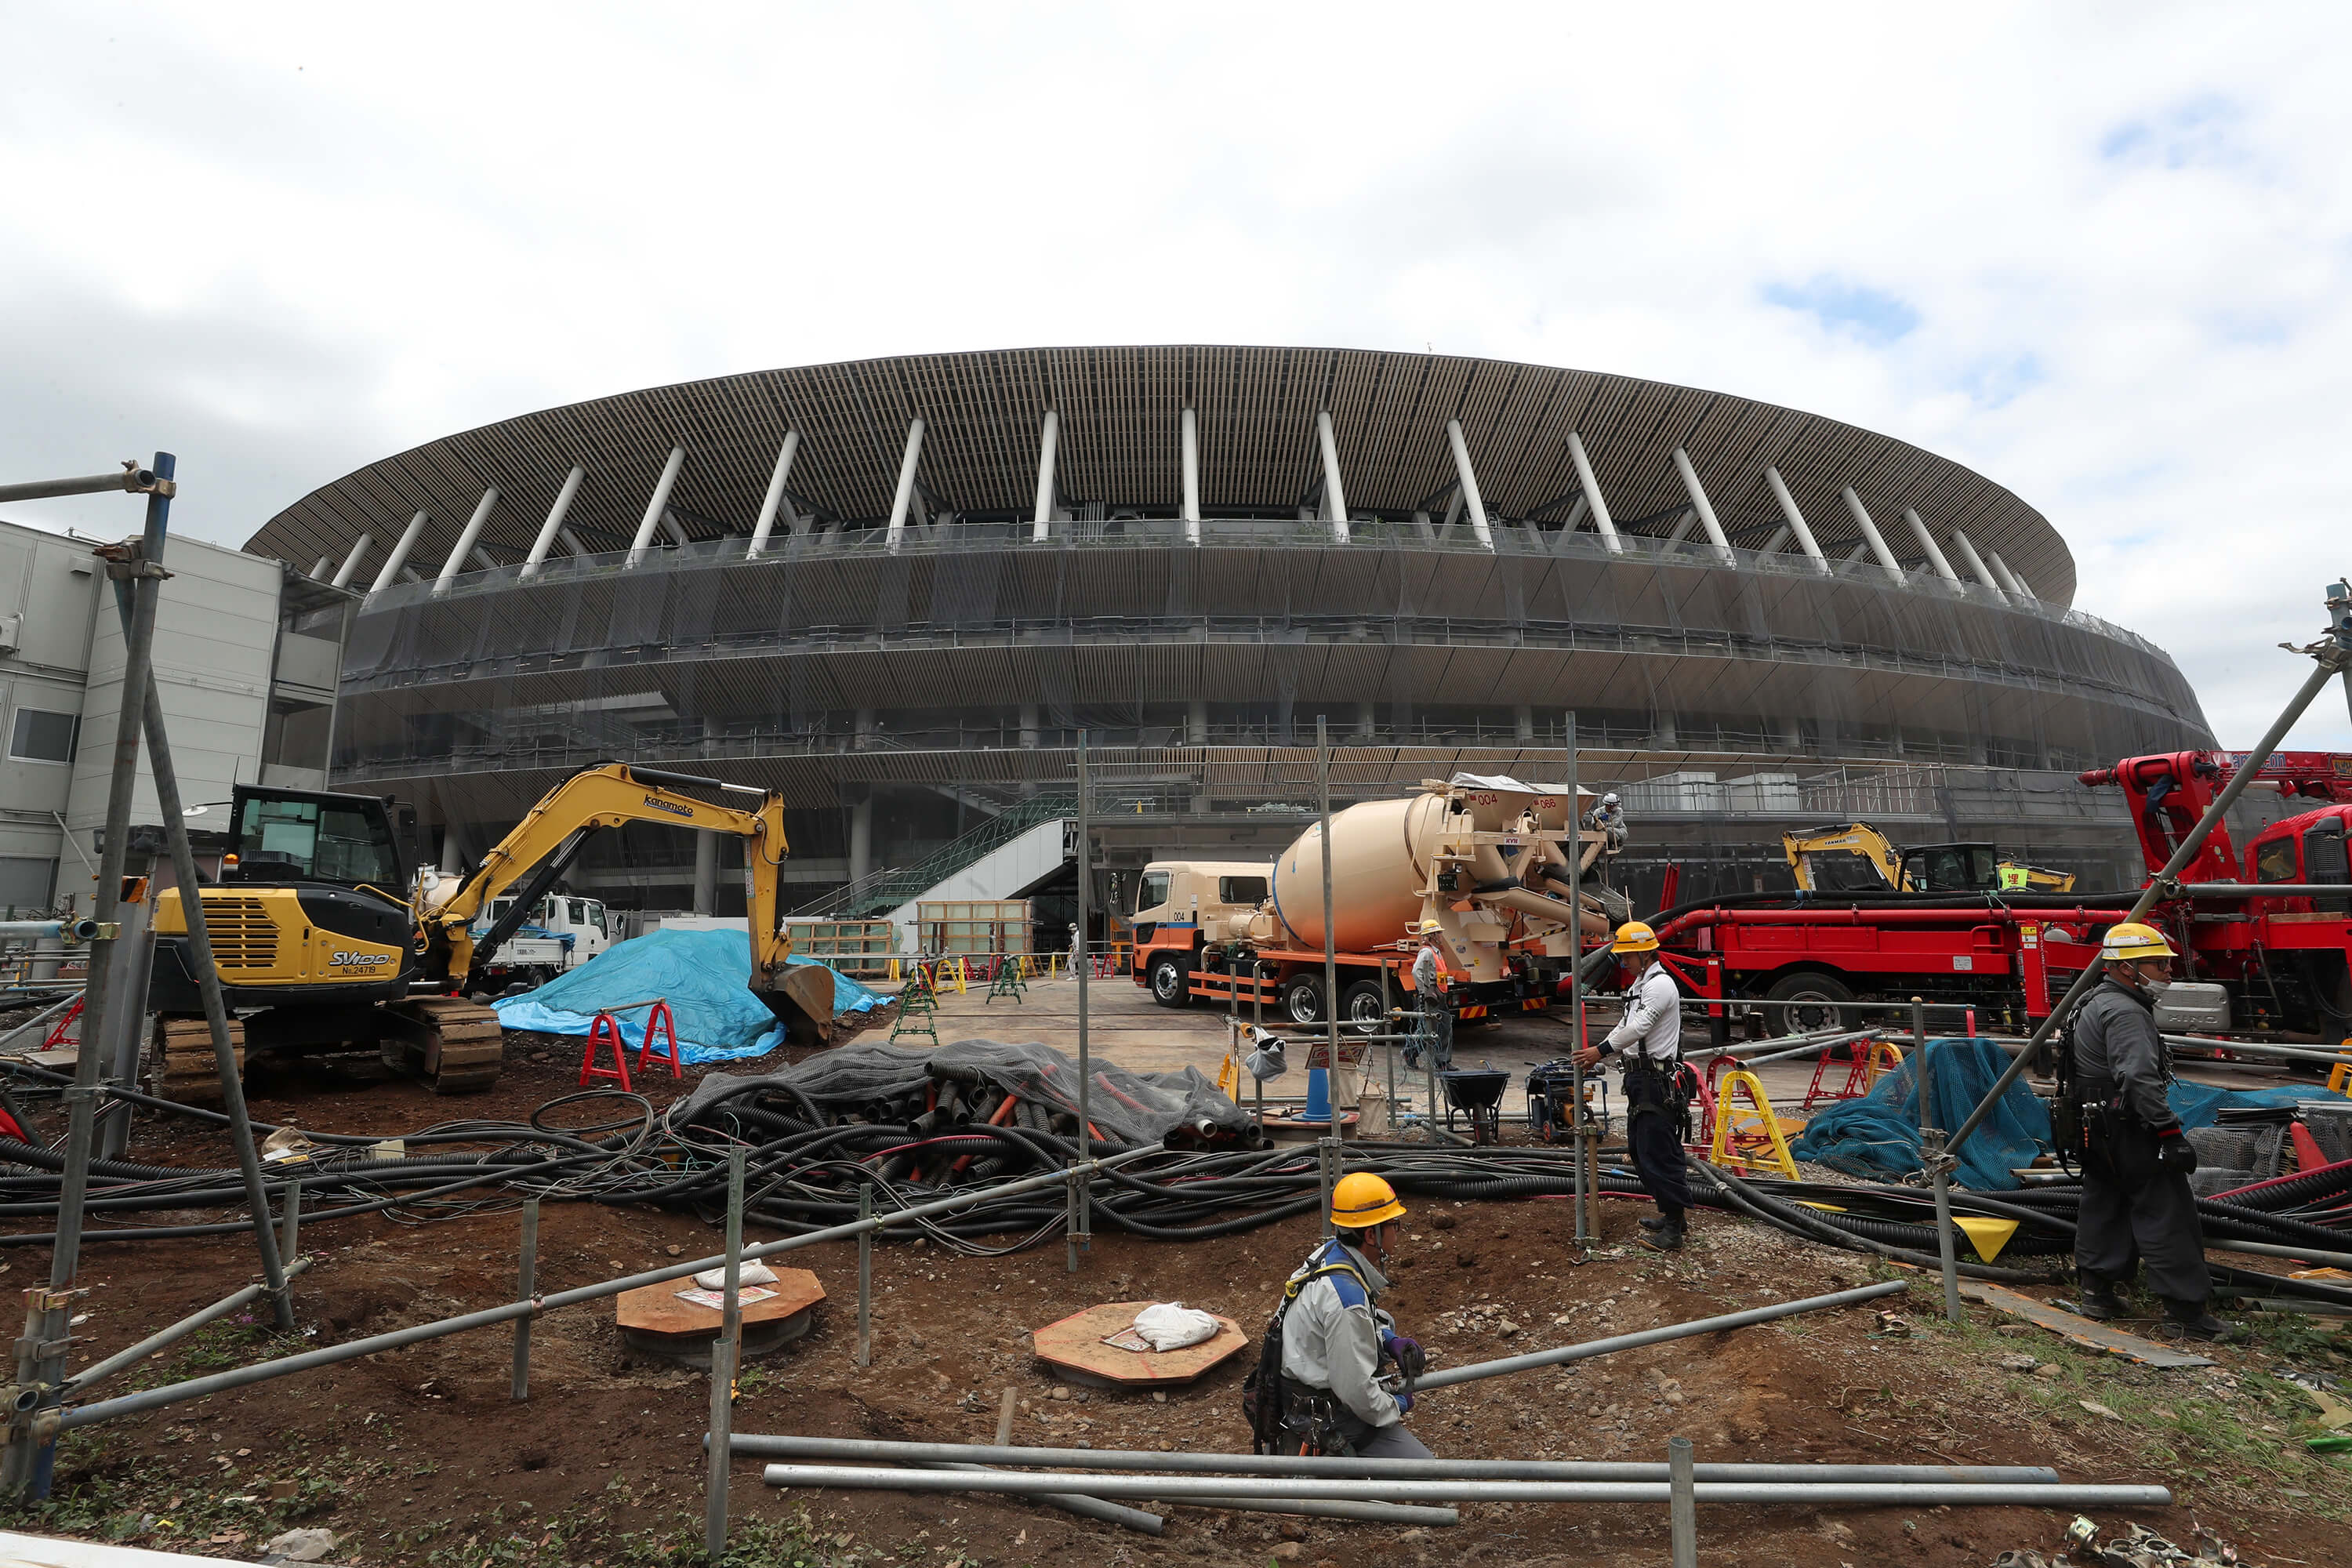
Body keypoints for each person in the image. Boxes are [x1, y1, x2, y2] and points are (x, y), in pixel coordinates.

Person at [2070, 921, 2234, 1340]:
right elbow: (2138, 1078)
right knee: (2167, 1211)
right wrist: (2169, 1134)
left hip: (2096, 1125)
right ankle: (2186, 1314)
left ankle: (2097, 1291)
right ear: (2128, 969)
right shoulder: (2125, 1012)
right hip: (2128, 1125)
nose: (2168, 972)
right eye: (2159, 964)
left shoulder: (2092, 1000)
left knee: (2105, 1201)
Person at [1274, 1173, 1431, 1457]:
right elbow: (1356, 1392)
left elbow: (1362, 1320)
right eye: (1394, 1225)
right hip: (1323, 1414)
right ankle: (1335, 1472)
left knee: (1386, 1320)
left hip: (1298, 1389)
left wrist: (1388, 1340)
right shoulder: (1346, 1300)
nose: (1399, 1231)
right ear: (1372, 1235)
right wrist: (1397, 1404)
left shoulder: (1331, 1254)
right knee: (1423, 1470)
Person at [1575, 920, 1694, 1250]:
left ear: (1644, 954)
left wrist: (1600, 1050)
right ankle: (1673, 1215)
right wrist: (1604, 1051)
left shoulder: (1660, 986)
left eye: (1627, 956)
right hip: (1642, 1079)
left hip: (1657, 1081)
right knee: (1642, 1153)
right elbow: (1626, 1025)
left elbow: (1640, 1025)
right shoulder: (1641, 985)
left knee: (1658, 1152)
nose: (1623, 962)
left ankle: (1673, 1228)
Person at [1406, 920, 1454, 1072]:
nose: (1441, 935)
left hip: (1439, 994)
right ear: (1432, 936)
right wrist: (1424, 992)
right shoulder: (1426, 952)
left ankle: (1443, 1062)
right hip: (1431, 996)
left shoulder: (1436, 951)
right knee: (1427, 1030)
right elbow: (1416, 972)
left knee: (1445, 1028)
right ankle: (1410, 1052)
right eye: (1439, 933)